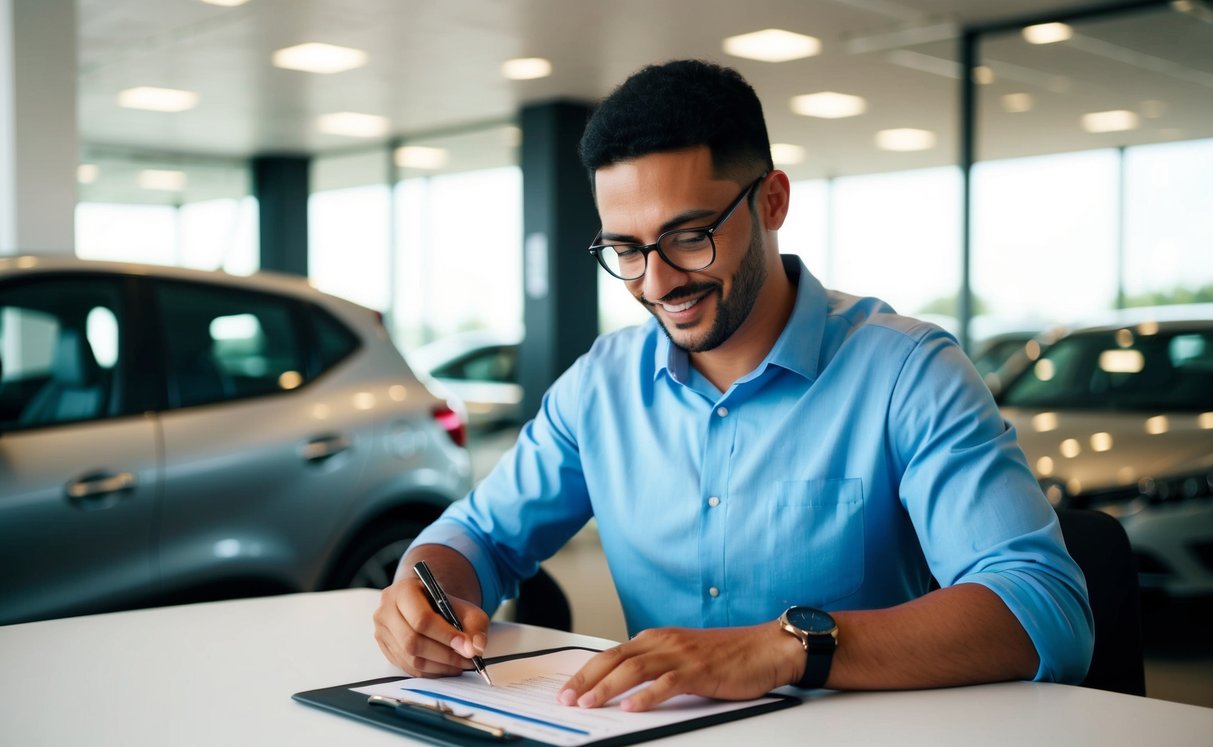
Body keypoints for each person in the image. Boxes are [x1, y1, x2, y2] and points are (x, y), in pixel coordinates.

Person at [373, 59, 1094, 712]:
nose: (655, 283)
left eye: (689, 237)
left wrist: (783, 646)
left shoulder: (908, 373)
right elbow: (477, 537)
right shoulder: (600, 387)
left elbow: (1042, 610)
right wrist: (425, 593)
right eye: (624, 248)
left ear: (771, 201)